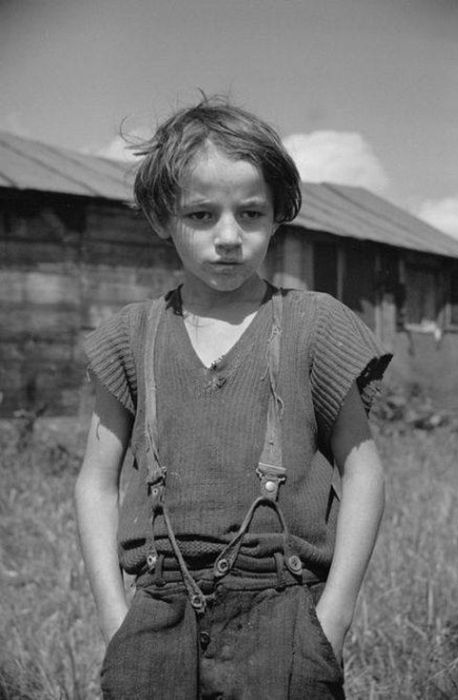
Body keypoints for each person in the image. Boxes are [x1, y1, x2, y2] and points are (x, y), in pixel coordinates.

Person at [74, 96, 392, 699]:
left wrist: (335, 617)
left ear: (277, 218)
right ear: (163, 217)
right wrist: (115, 619)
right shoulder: (131, 336)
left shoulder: (314, 325)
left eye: (250, 214)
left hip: (283, 605)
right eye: (200, 215)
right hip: (156, 610)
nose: (228, 237)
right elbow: (95, 481)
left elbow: (364, 471)